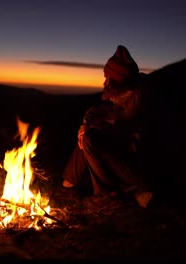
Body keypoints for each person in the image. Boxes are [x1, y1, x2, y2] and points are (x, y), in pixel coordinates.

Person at [61, 45, 152, 210]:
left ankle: (105, 198)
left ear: (121, 79)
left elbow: (121, 125)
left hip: (141, 169)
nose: (105, 82)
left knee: (90, 137)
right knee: (86, 134)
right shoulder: (123, 92)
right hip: (126, 156)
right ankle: (68, 186)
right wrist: (86, 124)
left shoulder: (139, 98)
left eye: (109, 78)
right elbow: (98, 111)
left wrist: (92, 127)